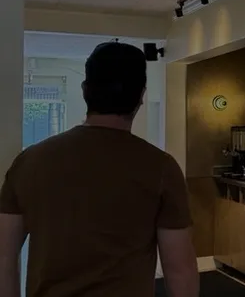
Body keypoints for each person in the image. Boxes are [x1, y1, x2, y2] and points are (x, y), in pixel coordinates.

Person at [0, 42, 199, 297]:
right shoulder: (162, 168)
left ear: (85, 91)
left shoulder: (29, 161)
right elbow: (180, 271)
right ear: (141, 95)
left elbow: (4, 257)